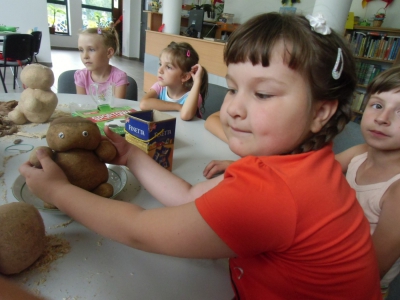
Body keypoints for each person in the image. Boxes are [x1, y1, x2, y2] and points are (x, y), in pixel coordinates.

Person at [19, 13, 382, 299]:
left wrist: (56, 192)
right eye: (234, 88)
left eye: (264, 94)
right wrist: (131, 155)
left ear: (321, 112)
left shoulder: (275, 191)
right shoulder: (294, 163)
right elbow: (192, 196)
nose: (234, 108)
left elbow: (140, 231)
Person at [335, 66, 400, 298]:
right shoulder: (359, 152)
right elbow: (307, 173)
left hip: (357, 285)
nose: (382, 118)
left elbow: (372, 271)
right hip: (332, 255)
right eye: (378, 105)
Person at [139, 42, 208, 121]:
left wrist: (197, 81)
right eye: (160, 64)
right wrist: (177, 106)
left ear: (184, 77)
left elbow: (185, 115)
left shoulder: (193, 96)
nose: (160, 70)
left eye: (168, 67)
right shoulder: (160, 87)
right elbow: (144, 104)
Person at [75, 27, 128, 99]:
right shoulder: (81, 76)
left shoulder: (119, 77)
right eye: (81, 50)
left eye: (91, 49)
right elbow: (82, 105)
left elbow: (117, 108)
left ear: (109, 52)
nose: (85, 56)